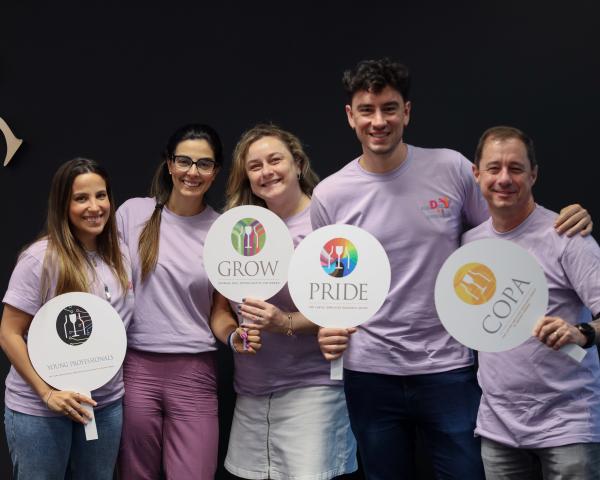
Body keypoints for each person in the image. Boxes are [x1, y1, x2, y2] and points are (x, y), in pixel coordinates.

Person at [314, 58, 592, 479]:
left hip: (450, 368)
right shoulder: (329, 194)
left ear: (407, 111)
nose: (379, 121)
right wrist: (326, 325)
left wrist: (569, 220)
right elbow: (328, 279)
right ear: (350, 116)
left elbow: (502, 232)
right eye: (367, 110)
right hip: (370, 371)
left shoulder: (452, 168)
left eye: (389, 108)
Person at [210, 124, 357, 480]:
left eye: (275, 160)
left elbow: (348, 306)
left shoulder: (326, 224)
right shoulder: (240, 230)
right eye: (255, 166)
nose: (267, 171)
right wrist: (233, 336)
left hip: (313, 390)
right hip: (252, 391)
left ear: (298, 163)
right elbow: (220, 310)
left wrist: (285, 321)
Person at [116, 123, 257, 479]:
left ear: (216, 171)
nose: (192, 172)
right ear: (169, 164)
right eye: (184, 161)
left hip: (194, 373)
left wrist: (234, 336)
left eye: (204, 164)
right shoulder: (133, 214)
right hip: (135, 370)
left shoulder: (224, 231)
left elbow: (220, 313)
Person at [462, 125, 600, 479]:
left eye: (516, 168)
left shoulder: (568, 237)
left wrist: (582, 332)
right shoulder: (468, 245)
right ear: (477, 175)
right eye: (493, 168)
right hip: (498, 427)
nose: (504, 178)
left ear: (533, 175)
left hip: (567, 424)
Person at [0, 158, 133, 480]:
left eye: (101, 196)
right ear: (63, 204)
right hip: (42, 409)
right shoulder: (40, 259)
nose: (95, 207)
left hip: (104, 405)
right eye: (81, 198)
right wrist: (47, 392)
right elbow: (9, 333)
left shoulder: (120, 256)